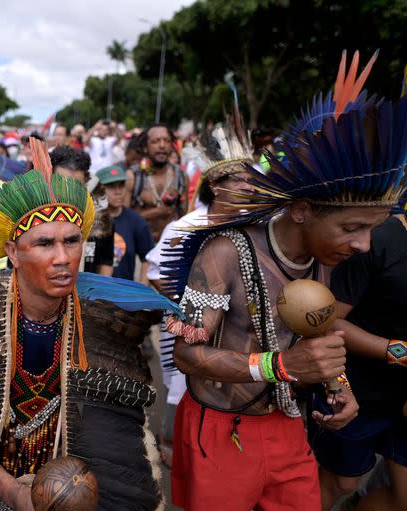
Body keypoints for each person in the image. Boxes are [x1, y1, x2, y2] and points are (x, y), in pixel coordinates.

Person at [165, 51, 401, 511]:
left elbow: (321, 330)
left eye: (371, 229)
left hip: (288, 425)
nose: (365, 245)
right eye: (352, 228)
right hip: (218, 428)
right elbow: (186, 352)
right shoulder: (224, 252)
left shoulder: (328, 255)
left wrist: (340, 388)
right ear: (302, 210)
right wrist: (280, 366)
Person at [0, 137, 177, 510]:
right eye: (44, 243)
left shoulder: (107, 317)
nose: (63, 258)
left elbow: (112, 431)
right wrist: (11, 491)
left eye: (72, 241)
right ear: (12, 251)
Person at [145, 121, 255, 468]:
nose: (247, 186)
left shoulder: (258, 226)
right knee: (184, 396)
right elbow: (156, 275)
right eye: (237, 179)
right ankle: (181, 456)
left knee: (233, 399)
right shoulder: (184, 227)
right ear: (214, 185)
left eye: (250, 178)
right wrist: (192, 312)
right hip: (188, 330)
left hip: (240, 334)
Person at [308, 212, 407, 510]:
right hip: (356, 389)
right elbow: (326, 322)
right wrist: (399, 352)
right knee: (342, 482)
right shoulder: (378, 239)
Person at [50, 146, 113, 276]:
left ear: (85, 182)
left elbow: (105, 263)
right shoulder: (32, 218)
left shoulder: (101, 217)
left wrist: (99, 294)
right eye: (62, 184)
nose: (69, 192)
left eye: (77, 186)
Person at [126, 125, 189, 242]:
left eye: (167, 141)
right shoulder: (133, 176)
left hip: (168, 247)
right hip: (139, 248)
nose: (162, 145)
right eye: (155, 141)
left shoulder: (181, 176)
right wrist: (156, 213)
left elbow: (184, 218)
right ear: (145, 147)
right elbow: (123, 220)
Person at [98, 165, 153, 283]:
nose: (118, 192)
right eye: (111, 187)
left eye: (121, 186)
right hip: (92, 293)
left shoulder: (136, 221)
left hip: (124, 294)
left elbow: (147, 259)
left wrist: (142, 294)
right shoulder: (90, 221)